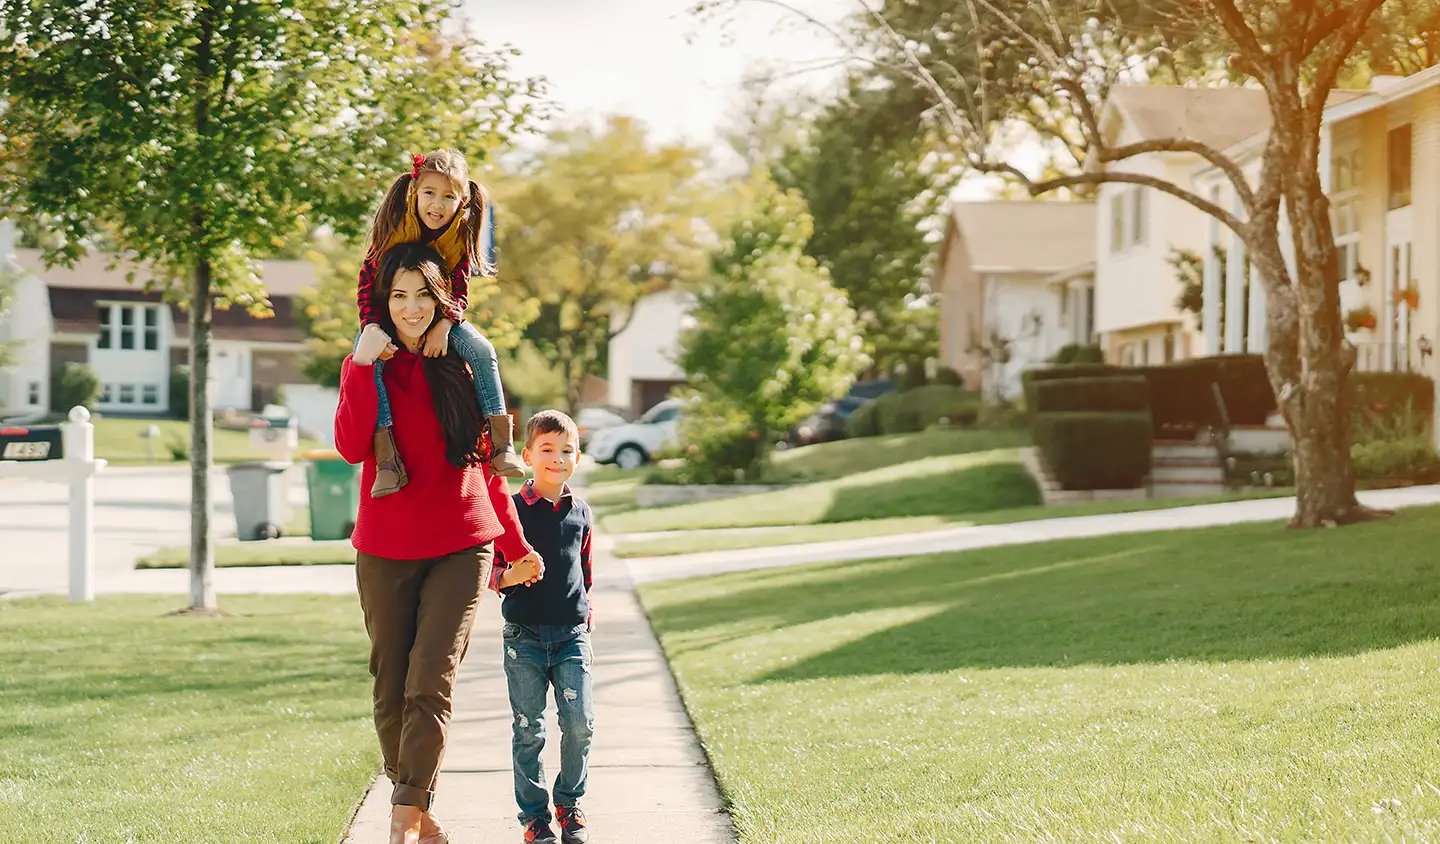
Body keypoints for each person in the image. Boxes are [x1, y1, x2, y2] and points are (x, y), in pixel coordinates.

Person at [336, 241, 545, 844]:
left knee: (431, 679)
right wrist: (356, 365)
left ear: (440, 299)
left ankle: (399, 825)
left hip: (459, 542)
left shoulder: (462, 363)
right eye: (398, 295)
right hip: (383, 545)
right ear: (384, 302)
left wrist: (513, 544)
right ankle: (418, 809)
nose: (410, 306)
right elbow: (352, 448)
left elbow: (483, 467)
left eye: (422, 293)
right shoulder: (367, 364)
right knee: (389, 684)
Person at [356, 148, 528, 498]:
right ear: (414, 192)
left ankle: (501, 443)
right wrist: (371, 327)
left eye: (448, 197)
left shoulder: (460, 235)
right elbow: (367, 281)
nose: (437, 205)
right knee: (368, 363)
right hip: (385, 314)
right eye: (430, 194)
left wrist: (446, 324)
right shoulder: (394, 226)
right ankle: (387, 459)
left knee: (482, 348)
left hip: (441, 315)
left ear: (462, 201)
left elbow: (460, 290)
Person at [490, 410, 596, 844]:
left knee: (579, 723)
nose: (558, 458)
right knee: (529, 727)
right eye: (547, 450)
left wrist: (587, 621)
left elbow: (585, 572)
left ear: (577, 457)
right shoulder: (512, 511)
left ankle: (568, 804)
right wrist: (517, 574)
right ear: (528, 455)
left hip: (571, 636)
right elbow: (495, 574)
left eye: (566, 450)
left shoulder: (581, 512)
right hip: (525, 639)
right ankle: (534, 818)